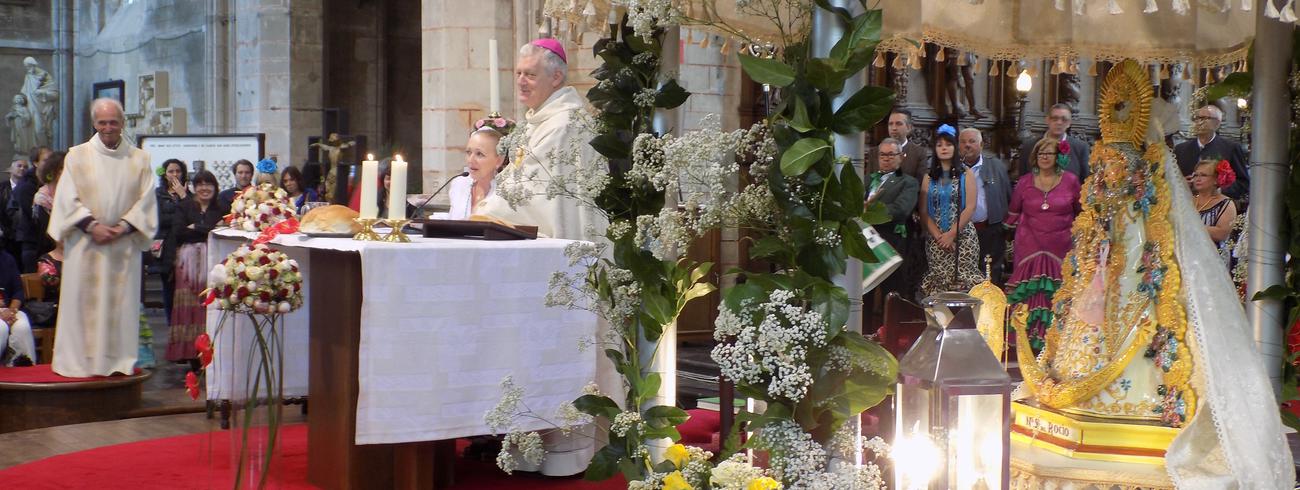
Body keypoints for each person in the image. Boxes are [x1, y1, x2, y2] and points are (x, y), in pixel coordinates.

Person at [48, 98, 158, 378]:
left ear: (122, 123)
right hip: (86, 245)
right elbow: (66, 198)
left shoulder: (140, 159)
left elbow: (146, 201)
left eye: (113, 122)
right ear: (94, 123)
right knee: (81, 307)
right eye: (102, 122)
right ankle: (79, 362)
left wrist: (123, 227)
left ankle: (117, 360)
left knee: (119, 308)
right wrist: (91, 225)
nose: (108, 128)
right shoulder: (77, 155)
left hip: (122, 248)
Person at [475, 39, 603, 240]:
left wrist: (485, 212)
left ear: (556, 77)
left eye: (530, 75)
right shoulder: (538, 121)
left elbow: (535, 192)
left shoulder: (565, 124)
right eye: (519, 73)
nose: (520, 81)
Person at [1004, 136, 1082, 353]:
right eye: (1041, 153)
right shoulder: (1024, 182)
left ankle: (1056, 338)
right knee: (1030, 292)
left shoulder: (1071, 181)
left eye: (1049, 153)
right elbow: (1012, 213)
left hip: (1061, 244)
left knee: (1056, 292)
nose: (1045, 157)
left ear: (1059, 157)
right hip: (1029, 244)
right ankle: (1027, 340)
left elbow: (1081, 214)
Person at [168, 170, 228, 367]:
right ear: (194, 187)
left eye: (208, 184)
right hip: (187, 266)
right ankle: (190, 353)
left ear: (215, 187)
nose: (204, 188)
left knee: (209, 307)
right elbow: (179, 232)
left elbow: (223, 232)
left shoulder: (222, 208)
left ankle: (211, 352)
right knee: (189, 309)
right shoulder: (185, 206)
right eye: (200, 184)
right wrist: (208, 227)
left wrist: (197, 227)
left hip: (213, 264)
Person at [918, 124, 983, 297]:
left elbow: (970, 206)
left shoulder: (966, 173)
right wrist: (940, 237)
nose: (944, 148)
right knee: (940, 285)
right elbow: (923, 211)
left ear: (955, 148)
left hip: (963, 237)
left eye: (948, 144)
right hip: (936, 239)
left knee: (964, 285)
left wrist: (951, 235)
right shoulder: (928, 177)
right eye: (939, 145)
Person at [865, 137, 918, 298]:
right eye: (882, 155)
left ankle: (894, 324)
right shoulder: (868, 179)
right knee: (865, 293)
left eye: (890, 155)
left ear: (901, 157)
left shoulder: (908, 182)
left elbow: (901, 210)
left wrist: (868, 210)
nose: (886, 159)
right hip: (866, 241)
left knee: (893, 291)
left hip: (891, 240)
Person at [958, 128, 1011, 285]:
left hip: (990, 231)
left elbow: (1007, 195)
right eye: (963, 142)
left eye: (972, 141)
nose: (967, 145)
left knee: (989, 273)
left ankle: (989, 307)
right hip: (960, 232)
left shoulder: (996, 166)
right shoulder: (952, 169)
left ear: (981, 145)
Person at [1174, 105, 1249, 201]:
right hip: (1186, 205)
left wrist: (1217, 189)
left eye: (1206, 118)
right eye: (1198, 118)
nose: (1200, 122)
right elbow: (1171, 180)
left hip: (1216, 205)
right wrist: (1182, 184)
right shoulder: (1181, 149)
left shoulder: (1230, 148)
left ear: (1217, 123)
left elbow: (1243, 183)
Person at [449, 118, 513, 220]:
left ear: (499, 161)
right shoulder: (458, 184)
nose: (471, 160)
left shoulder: (507, 191)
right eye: (468, 152)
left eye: (479, 154)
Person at [154, 158, 189, 324]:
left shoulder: (188, 194)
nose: (174, 174)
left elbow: (192, 217)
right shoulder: (158, 194)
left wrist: (183, 196)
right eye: (171, 171)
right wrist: (179, 215)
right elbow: (159, 219)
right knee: (168, 287)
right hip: (166, 246)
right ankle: (170, 322)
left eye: (178, 171)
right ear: (165, 174)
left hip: (185, 245)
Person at [1017, 103, 1091, 182]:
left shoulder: (1080, 148)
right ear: (1047, 120)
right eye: (1055, 119)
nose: (1059, 123)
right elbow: (1023, 179)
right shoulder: (1029, 146)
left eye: (1064, 119)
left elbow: (1085, 181)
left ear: (1069, 123)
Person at [868, 108, 929, 180]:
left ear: (909, 128)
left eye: (898, 124)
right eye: (890, 124)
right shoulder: (875, 152)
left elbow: (920, 183)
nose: (894, 128)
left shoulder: (919, 153)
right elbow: (869, 182)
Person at [1190, 159, 1238, 248]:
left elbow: (1221, 234)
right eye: (1196, 175)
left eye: (1203, 175)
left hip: (1214, 255)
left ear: (1216, 179)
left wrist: (1189, 226)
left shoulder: (1226, 203)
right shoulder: (1189, 200)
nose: (1197, 179)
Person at [6, 155, 39, 272]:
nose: (22, 169)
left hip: (24, 234)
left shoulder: (33, 187)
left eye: (25, 166)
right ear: (10, 168)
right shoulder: (2, 188)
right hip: (9, 236)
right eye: (19, 166)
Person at [0, 249, 33, 366]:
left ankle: (26, 369)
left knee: (22, 326)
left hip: (9, 310)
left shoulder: (7, 259)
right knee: (1, 328)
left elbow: (18, 291)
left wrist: (12, 310)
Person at [31, 151, 63, 266]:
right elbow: (44, 232)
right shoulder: (42, 198)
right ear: (52, 171)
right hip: (50, 252)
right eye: (60, 169)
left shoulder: (71, 192)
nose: (64, 173)